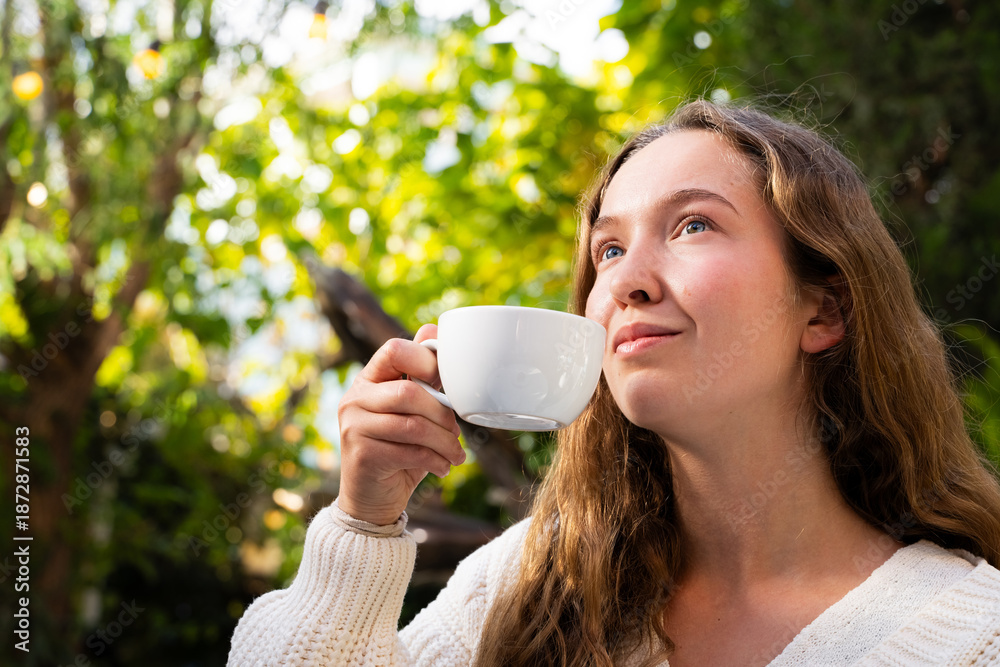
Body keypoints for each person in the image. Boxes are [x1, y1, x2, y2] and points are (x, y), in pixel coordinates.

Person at [228, 100, 1000, 666]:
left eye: (693, 225)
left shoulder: (975, 636)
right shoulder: (528, 584)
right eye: (608, 250)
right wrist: (362, 527)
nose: (627, 280)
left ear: (823, 310)